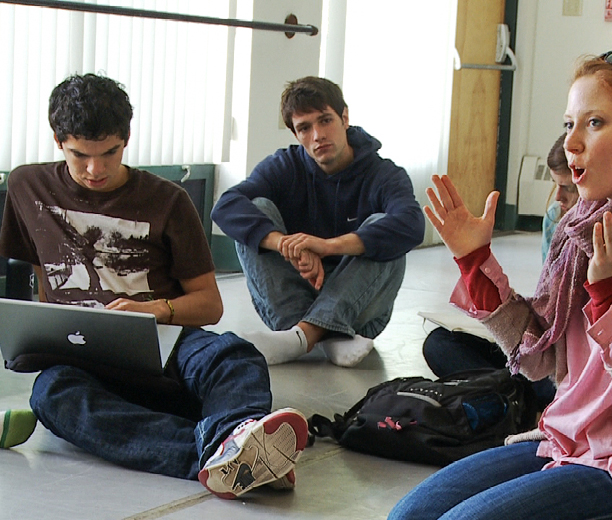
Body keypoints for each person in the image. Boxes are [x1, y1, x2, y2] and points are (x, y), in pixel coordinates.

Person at [390, 49, 612, 520]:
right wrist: (475, 262)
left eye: (594, 123)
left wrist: (611, 294)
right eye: (568, 123)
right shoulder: (580, 221)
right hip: (568, 436)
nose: (571, 142)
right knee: (407, 516)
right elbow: (538, 359)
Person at [0, 73, 309, 499]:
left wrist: (155, 310)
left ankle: (232, 446)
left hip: (167, 346)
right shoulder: (25, 186)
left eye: (109, 153)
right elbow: (38, 273)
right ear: (58, 140)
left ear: (126, 138)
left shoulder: (168, 201)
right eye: (80, 155)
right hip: (79, 360)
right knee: (53, 395)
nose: (95, 169)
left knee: (234, 356)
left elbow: (209, 305)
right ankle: (227, 455)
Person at [211, 76, 425, 367]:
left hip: (361, 312)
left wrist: (327, 247)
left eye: (325, 121)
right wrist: (286, 244)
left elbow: (412, 224)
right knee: (255, 208)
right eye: (305, 128)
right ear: (295, 134)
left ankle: (305, 337)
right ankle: (315, 336)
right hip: (292, 308)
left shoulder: (384, 174)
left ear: (344, 117)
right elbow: (226, 206)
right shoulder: (285, 165)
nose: (318, 135)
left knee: (384, 227)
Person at [421, 136, 578, 411]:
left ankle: (514, 398)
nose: (557, 197)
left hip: (566, 369)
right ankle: (516, 396)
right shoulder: (556, 215)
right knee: (440, 344)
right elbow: (547, 305)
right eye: (554, 185)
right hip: (539, 355)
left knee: (540, 374)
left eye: (567, 187)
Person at [541, 133, 580, 262]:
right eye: (554, 182)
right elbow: (547, 278)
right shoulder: (553, 216)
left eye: (569, 188)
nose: (558, 197)